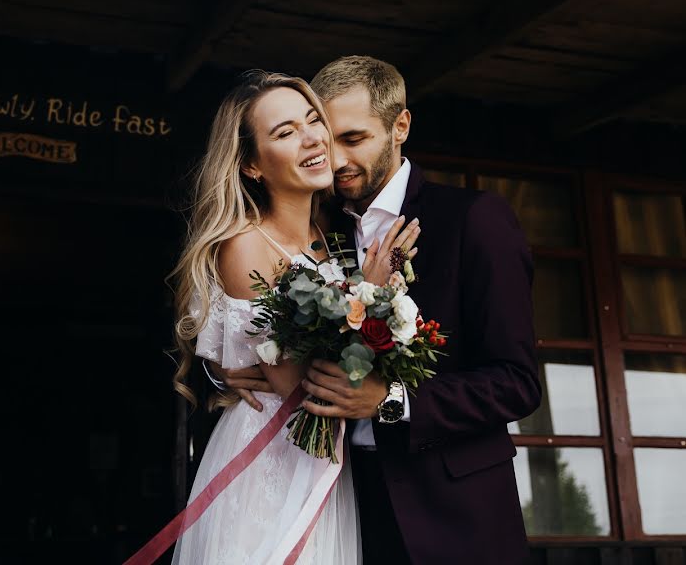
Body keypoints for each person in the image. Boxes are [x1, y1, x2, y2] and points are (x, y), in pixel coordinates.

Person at [209, 56, 541, 564]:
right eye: (327, 135)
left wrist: (390, 399)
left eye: (354, 139)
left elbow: (517, 382)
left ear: (400, 126)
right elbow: (262, 326)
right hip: (346, 504)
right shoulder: (319, 233)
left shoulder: (474, 220)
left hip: (454, 515)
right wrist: (232, 367)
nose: (334, 158)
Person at [168, 70, 417, 563]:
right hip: (269, 467)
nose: (312, 138)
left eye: (312, 121)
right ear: (251, 166)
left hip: (322, 465)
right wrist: (370, 292)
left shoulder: (333, 240)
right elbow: (302, 390)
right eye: (284, 132)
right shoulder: (246, 246)